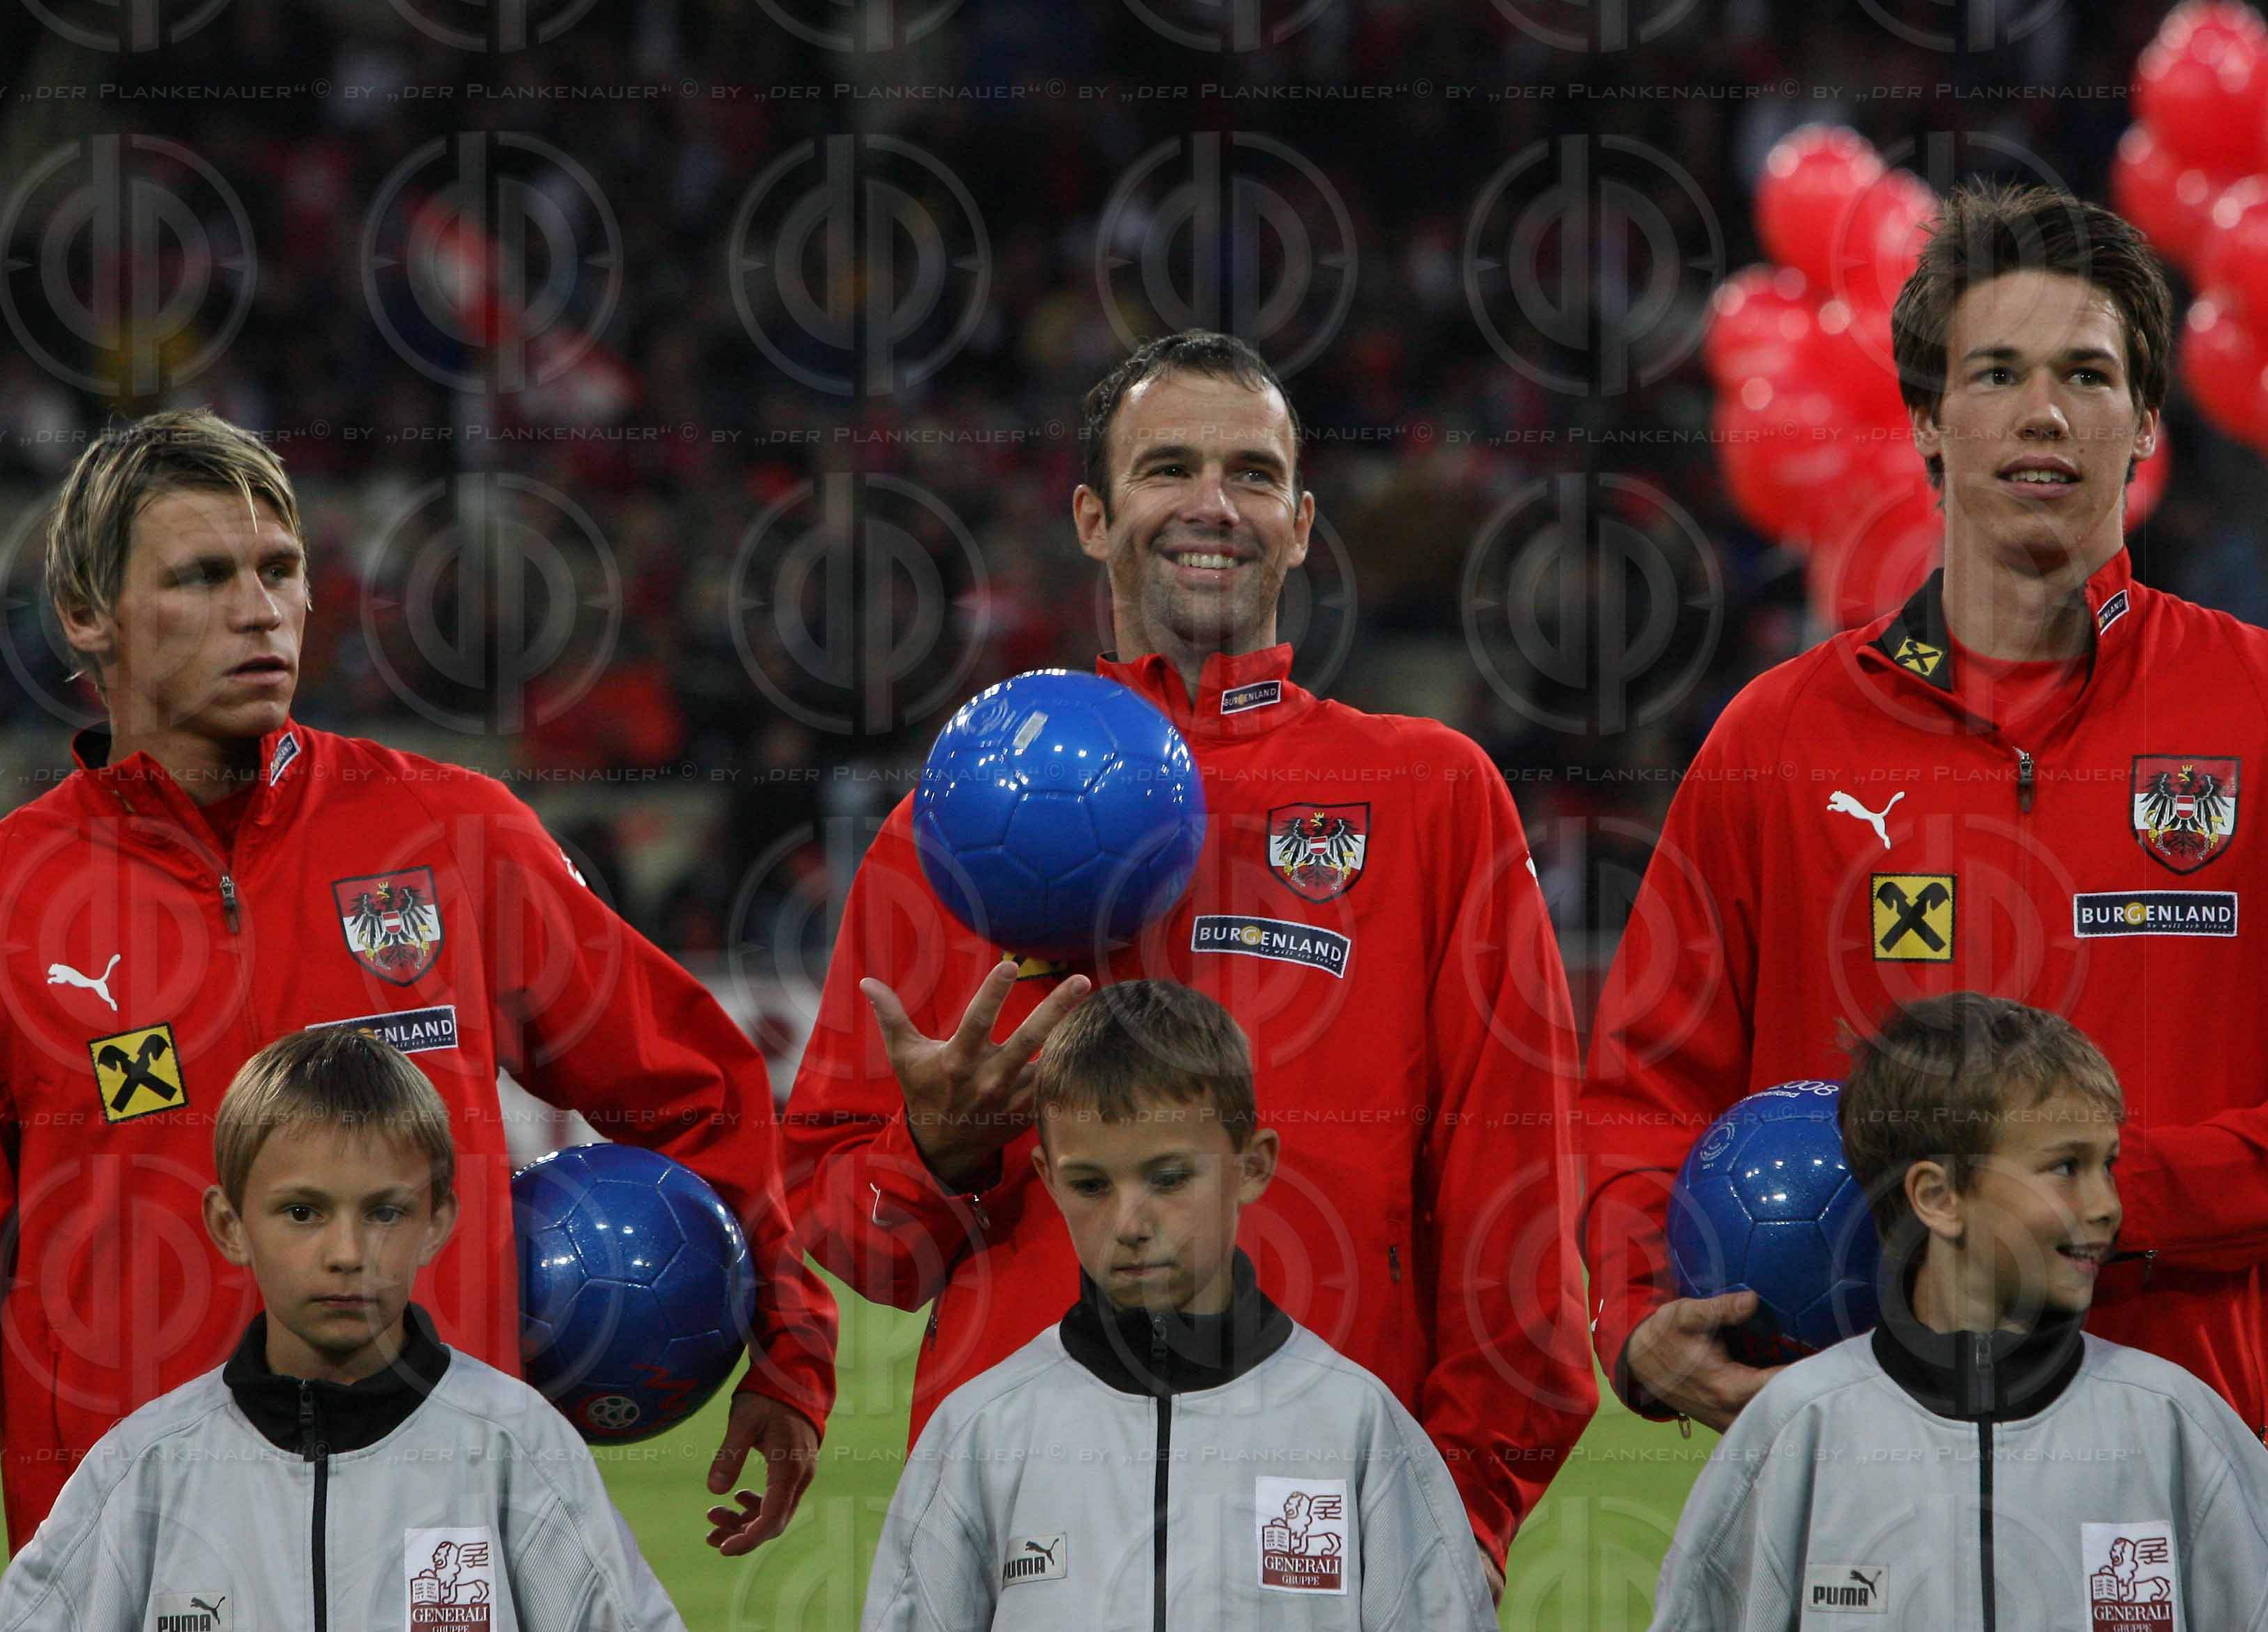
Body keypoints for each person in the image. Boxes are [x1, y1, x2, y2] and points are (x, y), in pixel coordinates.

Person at [0, 409, 835, 1632]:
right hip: (140, 1579)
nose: (259, 608)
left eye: (279, 570)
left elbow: (703, 1090)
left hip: (437, 1568)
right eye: (202, 577)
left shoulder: (456, 840)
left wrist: (787, 1337)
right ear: (90, 617)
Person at [784, 330, 1594, 1594]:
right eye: (1167, 468)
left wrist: (1453, 1522)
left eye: (1252, 474)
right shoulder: (952, 820)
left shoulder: (1429, 797)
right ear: (1093, 516)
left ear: (1301, 523)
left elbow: (1515, 1215)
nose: (1211, 505)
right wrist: (928, 1158)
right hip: (1031, 1516)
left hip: (1331, 1502)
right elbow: (856, 1238)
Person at [1581, 180, 2268, 1441]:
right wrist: (1634, 1304)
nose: (2042, 413)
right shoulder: (1774, 740)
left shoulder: (2252, 710)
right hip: (1849, 1452)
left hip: (2195, 1448)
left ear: (2145, 422)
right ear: (1925, 424)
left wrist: (2095, 1197)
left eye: (2086, 374)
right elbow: (1638, 1086)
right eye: (1994, 373)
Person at [0, 1026, 688, 1631]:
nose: (347, 1253)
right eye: (303, 1212)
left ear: (437, 1221)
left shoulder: (516, 1448)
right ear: (229, 1224)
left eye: (385, 1211)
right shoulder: (143, 1469)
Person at [860, 981, 1499, 1631]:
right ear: (1049, 1181)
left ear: (1252, 1166)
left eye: (1168, 1178)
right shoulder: (981, 1431)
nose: (1130, 1221)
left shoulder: (1359, 1427)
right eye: (1091, 1185)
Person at [1650, 994, 2268, 1628]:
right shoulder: (1797, 1428)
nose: (2107, 1204)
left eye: (2106, 1164)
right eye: (2064, 1167)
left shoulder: (2177, 1424)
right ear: (1938, 1198)